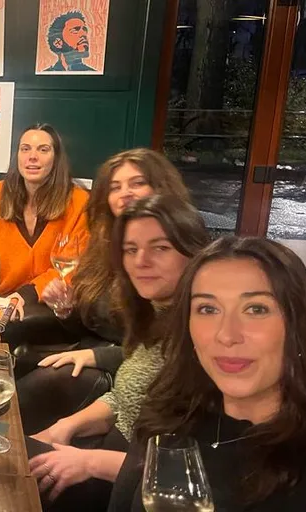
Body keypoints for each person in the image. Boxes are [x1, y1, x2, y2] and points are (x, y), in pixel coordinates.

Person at [25, 195, 209, 511]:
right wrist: (66, 427)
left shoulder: (207, 336)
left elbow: (194, 473)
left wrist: (90, 462)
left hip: (128, 489)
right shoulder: (154, 314)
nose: (141, 261)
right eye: (131, 249)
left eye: (160, 248)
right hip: (107, 455)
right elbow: (125, 401)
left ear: (193, 252)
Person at [110, 237, 306, 510]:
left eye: (256, 309)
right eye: (208, 309)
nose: (227, 335)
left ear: (297, 324)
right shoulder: (169, 413)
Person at [15, 149, 191, 434]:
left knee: (46, 382)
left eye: (137, 183)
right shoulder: (102, 242)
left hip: (131, 368)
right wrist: (65, 309)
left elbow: (165, 352)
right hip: (91, 346)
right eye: (115, 187)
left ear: (161, 187)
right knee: (13, 360)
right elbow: (88, 319)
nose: (125, 193)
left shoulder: (176, 251)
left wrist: (97, 357)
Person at [0, 123, 89, 306]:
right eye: (25, 149)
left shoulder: (79, 201)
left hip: (52, 304)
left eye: (43, 150)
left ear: (56, 159)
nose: (32, 157)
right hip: (5, 296)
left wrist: (27, 295)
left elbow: (71, 267)